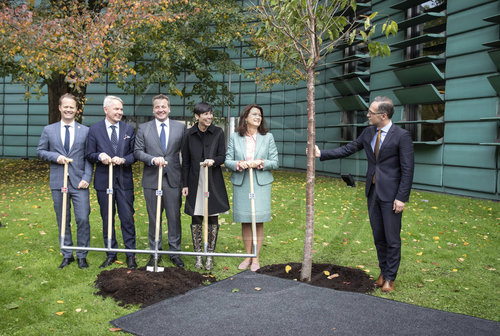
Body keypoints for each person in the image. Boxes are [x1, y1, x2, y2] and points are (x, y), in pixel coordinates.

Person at [314, 96, 414, 292]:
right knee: (378, 236)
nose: (368, 115)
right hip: (373, 192)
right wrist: (321, 154)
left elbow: (408, 169)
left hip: (392, 195)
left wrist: (401, 197)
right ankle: (383, 273)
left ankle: (390, 279)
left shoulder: (402, 136)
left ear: (383, 115)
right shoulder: (368, 132)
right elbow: (349, 148)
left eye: (371, 112)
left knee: (391, 238)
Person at [37, 93, 93, 269]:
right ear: (60, 108)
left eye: (72, 107)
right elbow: (40, 151)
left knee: (83, 218)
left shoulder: (85, 131)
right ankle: (67, 254)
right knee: (63, 218)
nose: (69, 109)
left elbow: (89, 157)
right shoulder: (49, 130)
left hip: (79, 182)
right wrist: (56, 157)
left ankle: (82, 254)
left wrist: (86, 178)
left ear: (77, 110)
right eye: (66, 106)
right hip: (58, 181)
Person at [225, 104, 279, 272]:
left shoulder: (268, 137)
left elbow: (275, 162)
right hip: (242, 182)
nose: (258, 117)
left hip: (260, 183)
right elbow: (228, 161)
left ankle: (256, 258)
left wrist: (261, 162)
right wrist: (239, 164)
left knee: (258, 220)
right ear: (246, 117)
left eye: (260, 115)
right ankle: (247, 256)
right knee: (246, 220)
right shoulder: (235, 137)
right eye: (254, 114)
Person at [86, 95, 137, 269]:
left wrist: (124, 160)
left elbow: (134, 155)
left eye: (121, 109)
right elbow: (89, 154)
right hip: (103, 182)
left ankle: (131, 254)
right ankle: (111, 253)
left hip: (124, 181)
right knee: (107, 218)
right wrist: (100, 156)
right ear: (106, 109)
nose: (120, 112)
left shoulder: (129, 129)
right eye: (116, 109)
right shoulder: (94, 130)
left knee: (127, 218)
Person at [134, 94, 185, 268]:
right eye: (157, 107)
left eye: (164, 106)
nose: (161, 110)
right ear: (153, 109)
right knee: (154, 218)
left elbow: (185, 154)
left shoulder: (180, 128)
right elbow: (138, 151)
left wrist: (185, 182)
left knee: (174, 217)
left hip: (173, 179)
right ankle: (154, 251)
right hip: (152, 178)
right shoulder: (144, 128)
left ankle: (174, 252)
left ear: (169, 108)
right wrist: (152, 159)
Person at [181, 102, 230, 271]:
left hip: (213, 180)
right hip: (195, 180)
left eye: (210, 114)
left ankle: (210, 255)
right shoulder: (188, 135)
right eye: (205, 114)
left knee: (213, 217)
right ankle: (198, 256)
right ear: (197, 116)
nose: (209, 117)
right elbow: (185, 162)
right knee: (196, 216)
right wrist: (184, 184)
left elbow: (222, 156)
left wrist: (214, 161)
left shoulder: (218, 132)